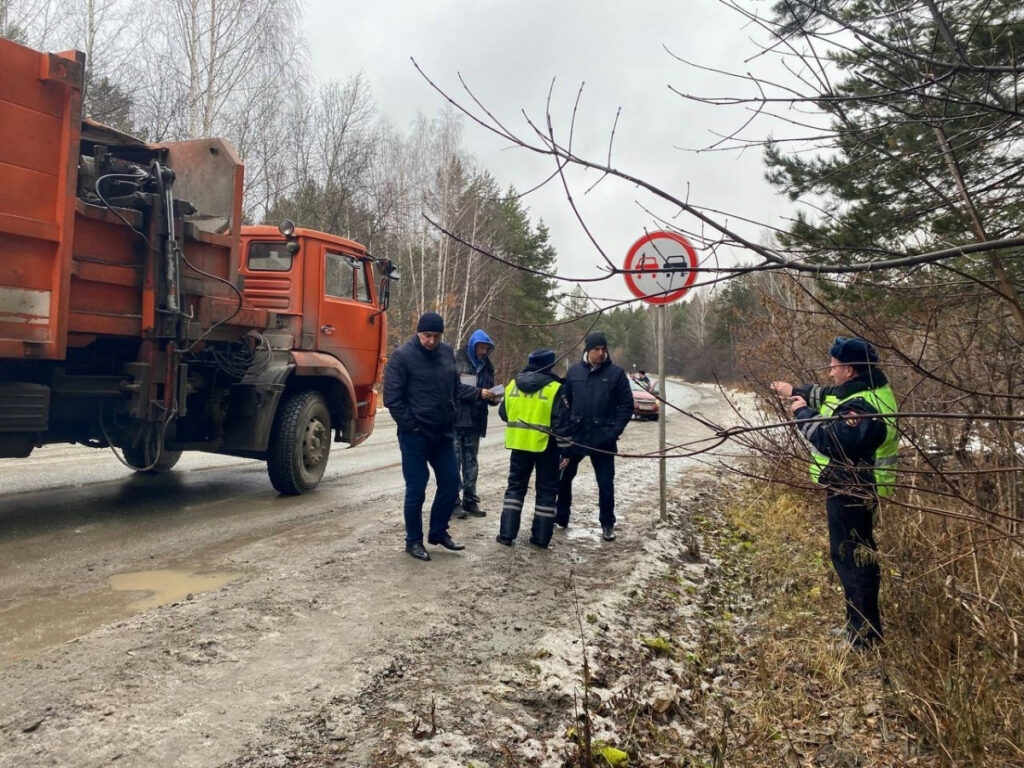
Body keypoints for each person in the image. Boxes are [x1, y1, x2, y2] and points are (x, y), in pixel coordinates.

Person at [771, 336, 899, 648]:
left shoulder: (864, 406)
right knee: (854, 556)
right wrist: (795, 392)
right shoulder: (863, 390)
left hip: (854, 488)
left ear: (850, 370)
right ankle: (859, 626)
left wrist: (802, 414)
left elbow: (834, 441)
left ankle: (864, 637)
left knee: (852, 558)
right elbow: (828, 396)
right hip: (851, 485)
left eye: (834, 367)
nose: (830, 373)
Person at [382, 311, 497, 561]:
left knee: (449, 483)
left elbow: (454, 387)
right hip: (415, 435)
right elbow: (392, 398)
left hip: (443, 431)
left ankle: (438, 532)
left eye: (436, 336)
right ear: (418, 332)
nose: (431, 341)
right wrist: (410, 426)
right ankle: (413, 541)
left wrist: (463, 404)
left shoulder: (446, 353)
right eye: (426, 336)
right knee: (417, 488)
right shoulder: (402, 357)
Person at [555, 332, 633, 541]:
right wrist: (568, 429)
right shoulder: (574, 373)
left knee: (606, 484)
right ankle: (561, 516)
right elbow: (565, 403)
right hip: (576, 437)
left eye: (603, 349)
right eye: (596, 349)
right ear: (588, 350)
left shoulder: (616, 373)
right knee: (564, 479)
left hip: (603, 438)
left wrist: (613, 431)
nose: (601, 353)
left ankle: (607, 523)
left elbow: (626, 405)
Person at [495, 349, 571, 548]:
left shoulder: (513, 385)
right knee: (546, 492)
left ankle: (506, 535)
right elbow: (561, 423)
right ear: (550, 365)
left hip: (518, 445)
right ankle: (540, 539)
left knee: (514, 489)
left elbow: (504, 414)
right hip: (546, 446)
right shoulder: (555, 388)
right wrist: (566, 451)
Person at [453, 328, 497, 518]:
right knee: (454, 462)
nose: (484, 351)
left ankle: (471, 500)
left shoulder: (487, 365)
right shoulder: (456, 360)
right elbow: (453, 389)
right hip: (456, 419)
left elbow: (488, 388)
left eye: (487, 348)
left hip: (476, 420)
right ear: (473, 345)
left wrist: (493, 397)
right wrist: (479, 393)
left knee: (471, 463)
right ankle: (453, 502)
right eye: (481, 347)